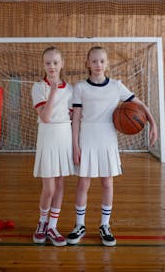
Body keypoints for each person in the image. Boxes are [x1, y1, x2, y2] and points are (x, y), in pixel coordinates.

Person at [67, 46, 158, 247]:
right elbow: (76, 120)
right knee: (83, 183)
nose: (98, 65)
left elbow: (141, 105)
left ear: (106, 63)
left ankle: (105, 225)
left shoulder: (116, 86)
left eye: (102, 61)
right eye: (94, 61)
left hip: (107, 139)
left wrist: (153, 124)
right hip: (87, 138)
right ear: (87, 63)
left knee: (107, 183)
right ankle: (79, 225)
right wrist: (75, 146)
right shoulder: (80, 87)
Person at [31, 46, 74, 247]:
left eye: (55, 62)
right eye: (48, 63)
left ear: (62, 64)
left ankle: (52, 226)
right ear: (43, 65)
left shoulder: (71, 89)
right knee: (48, 188)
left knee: (59, 186)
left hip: (64, 137)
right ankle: (42, 222)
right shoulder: (38, 87)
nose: (52, 66)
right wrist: (53, 91)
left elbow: (74, 118)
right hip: (47, 137)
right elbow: (46, 117)